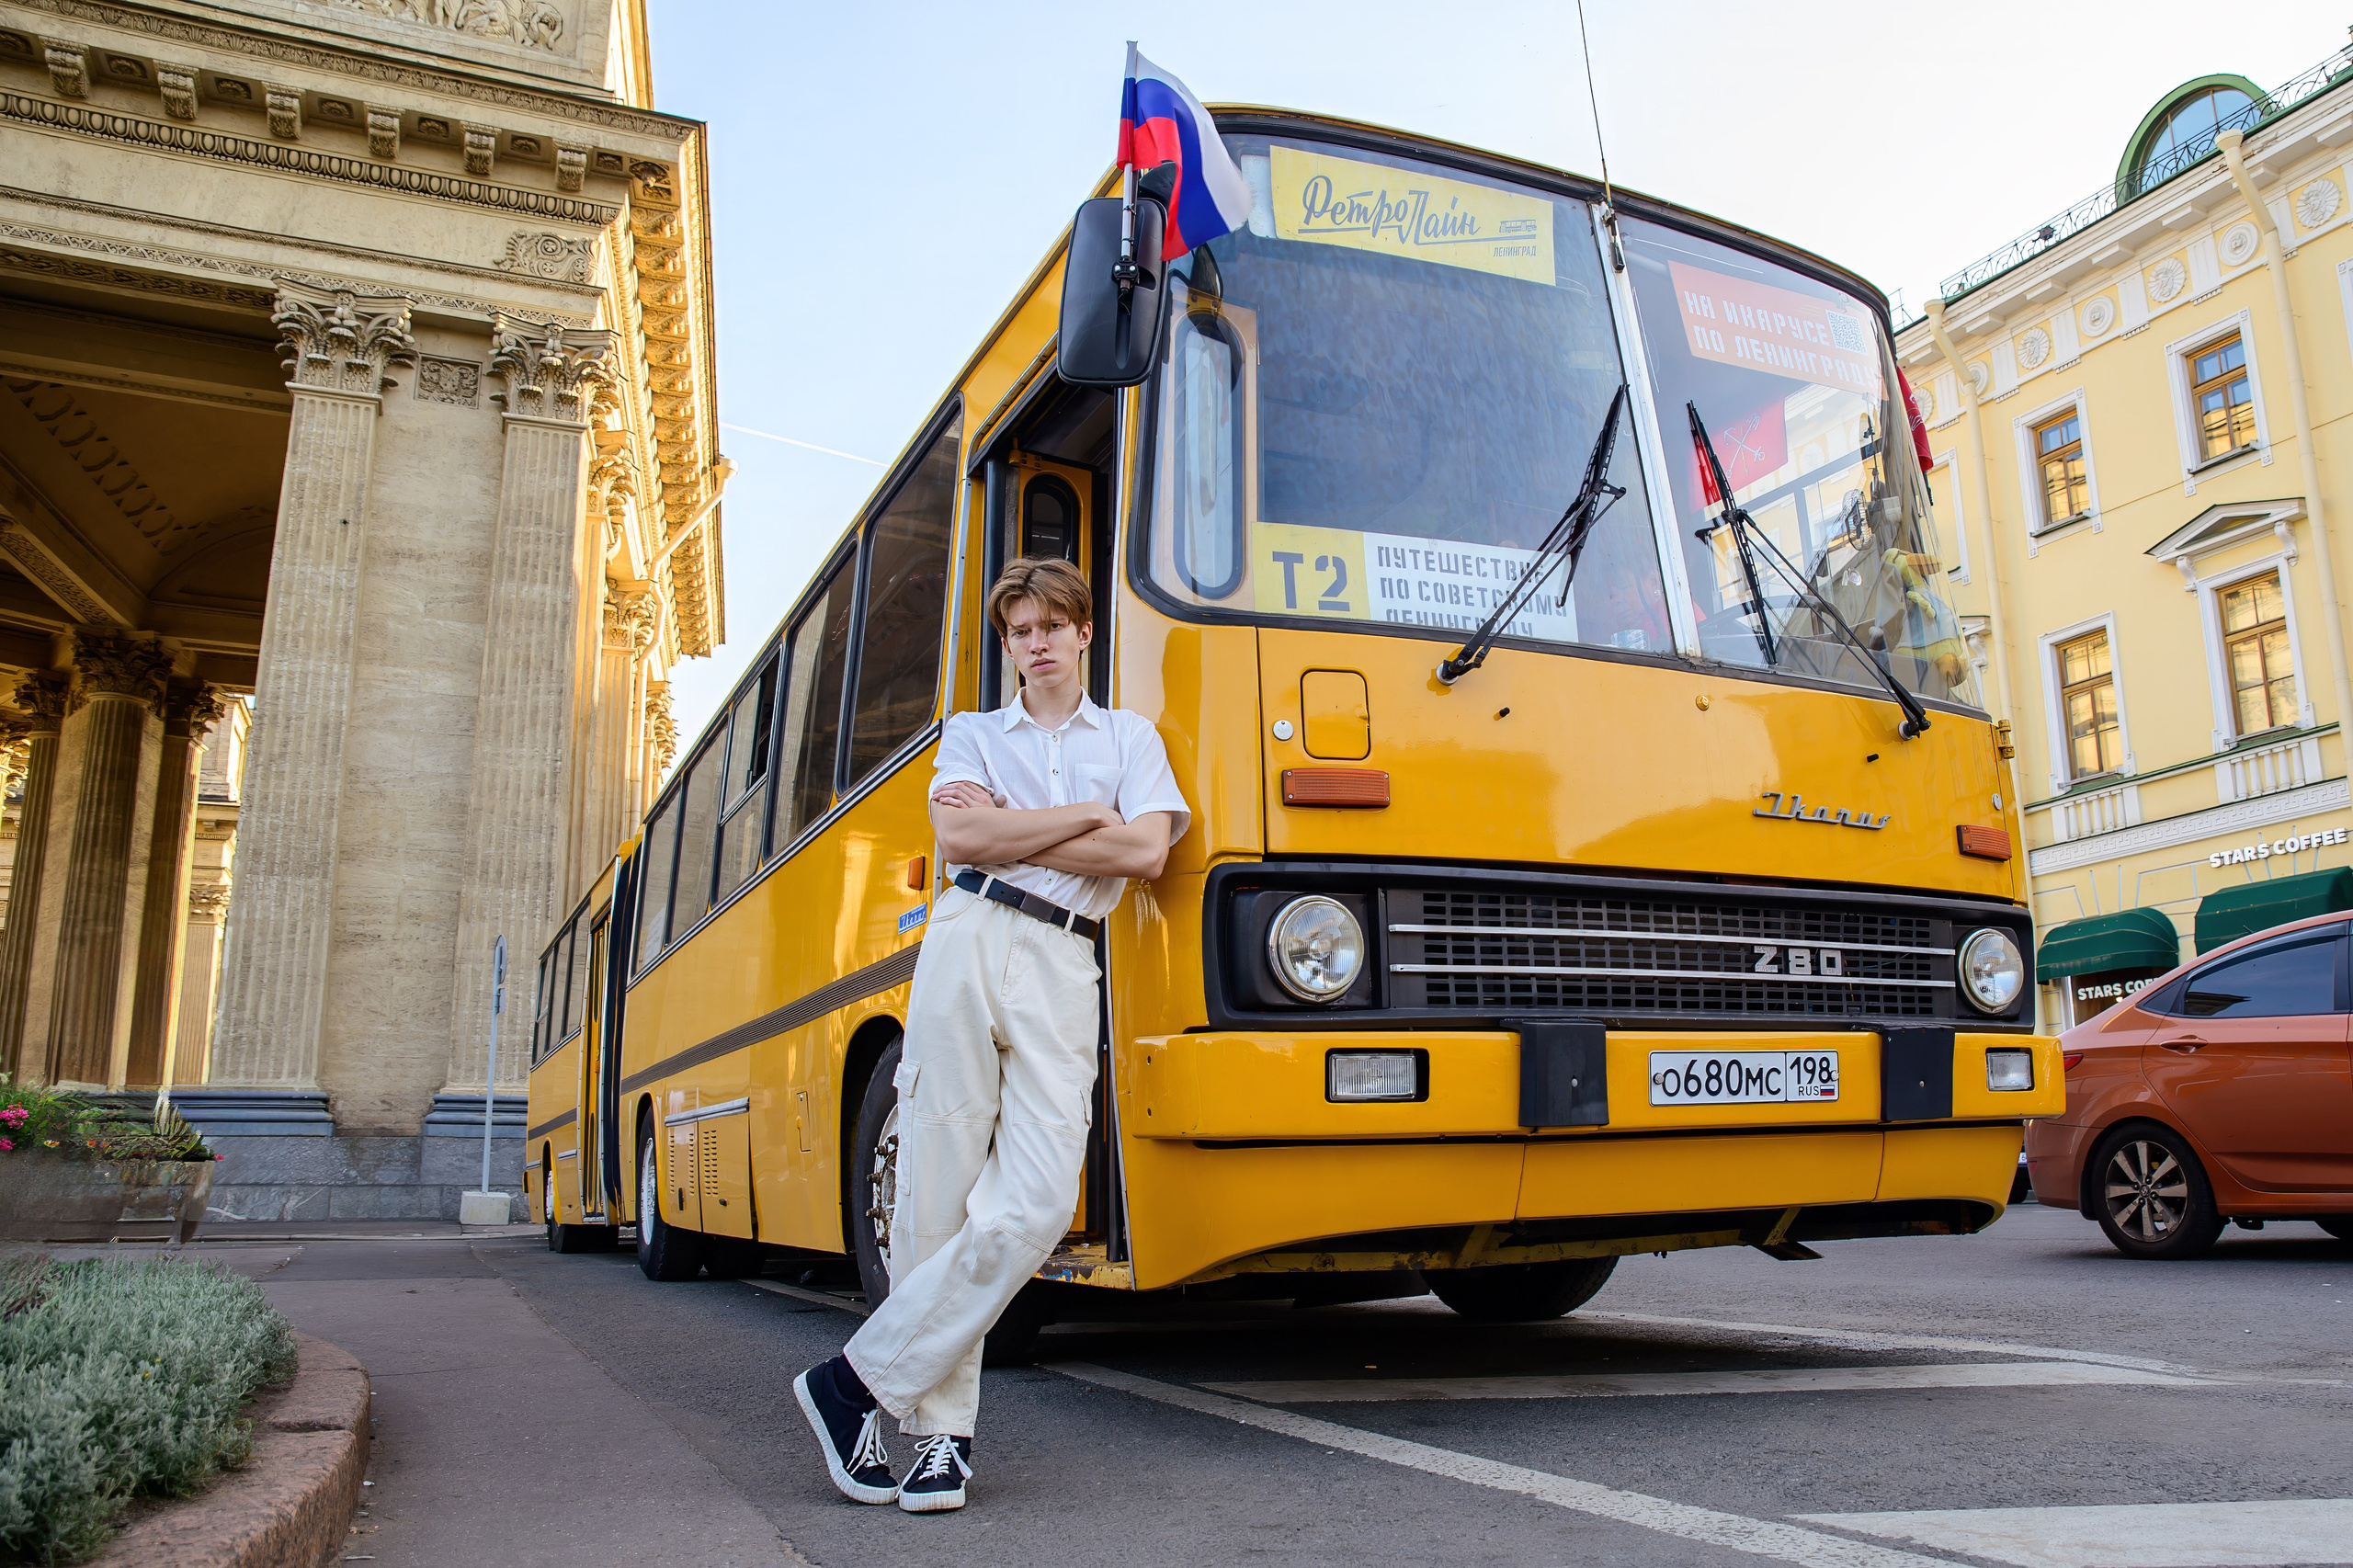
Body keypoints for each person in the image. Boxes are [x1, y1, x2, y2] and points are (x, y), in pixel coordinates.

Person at [793, 556, 1189, 1515]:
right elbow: (963, 843)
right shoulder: (972, 732)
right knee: (935, 1191)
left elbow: (1146, 850)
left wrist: (1021, 823)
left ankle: (851, 1383)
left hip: (1065, 957)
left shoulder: (1130, 737)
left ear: (1084, 631)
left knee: (1039, 1202)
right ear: (1007, 644)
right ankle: (940, 1439)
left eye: (1052, 625)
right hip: (968, 935)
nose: (1037, 642)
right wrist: (1084, 815)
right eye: (1020, 630)